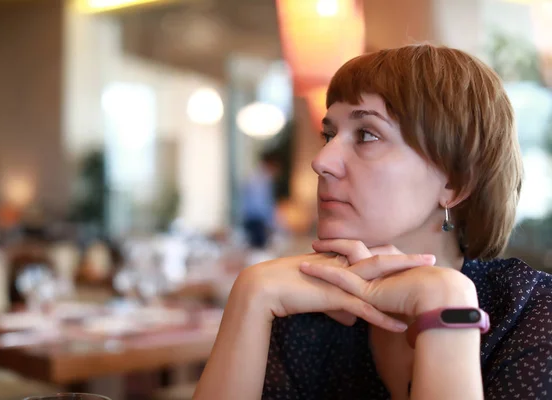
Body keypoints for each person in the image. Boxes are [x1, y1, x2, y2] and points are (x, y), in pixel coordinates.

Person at [194, 44, 552, 400]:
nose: (322, 161)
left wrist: (448, 306)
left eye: (366, 134)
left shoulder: (533, 315)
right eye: (330, 134)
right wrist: (251, 295)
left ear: (454, 183)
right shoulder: (303, 317)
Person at [240, 151, 280, 249]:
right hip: (257, 220)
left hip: (254, 219)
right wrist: (270, 223)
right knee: (258, 250)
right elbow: (259, 204)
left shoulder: (258, 177)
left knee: (256, 249)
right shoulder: (259, 179)